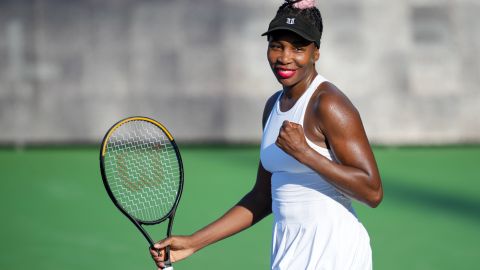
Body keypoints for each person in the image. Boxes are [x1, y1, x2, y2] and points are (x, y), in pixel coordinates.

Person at [150, 0, 383, 269]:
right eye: (276, 46)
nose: (285, 57)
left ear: (315, 53)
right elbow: (262, 197)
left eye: (298, 48)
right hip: (289, 251)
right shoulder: (273, 106)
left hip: (334, 252)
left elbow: (372, 191)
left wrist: (305, 154)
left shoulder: (328, 104)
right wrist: (193, 243)